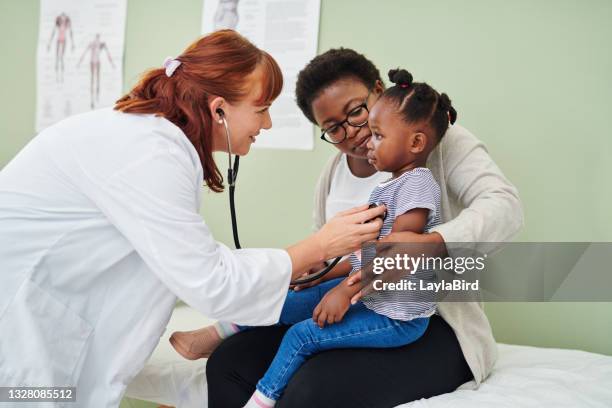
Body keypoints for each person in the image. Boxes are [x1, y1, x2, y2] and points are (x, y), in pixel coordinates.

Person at [0, 32, 385, 407]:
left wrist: (311, 261)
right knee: (236, 366)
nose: (266, 125)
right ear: (219, 109)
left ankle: (218, 332)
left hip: (393, 305)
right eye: (262, 109)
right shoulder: (149, 153)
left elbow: (185, 260)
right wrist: (316, 250)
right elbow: (209, 277)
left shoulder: (154, 142)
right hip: (24, 325)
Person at [206, 48, 524, 407]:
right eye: (333, 128)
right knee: (228, 362)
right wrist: (317, 272)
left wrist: (434, 243)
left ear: (378, 91)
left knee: (313, 387)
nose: (353, 134)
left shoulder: (439, 141)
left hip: (426, 319)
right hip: (358, 302)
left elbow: (505, 206)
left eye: (356, 112)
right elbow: (338, 252)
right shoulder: (332, 174)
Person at [172, 68, 456, 408]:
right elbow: (363, 253)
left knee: (301, 335)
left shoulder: (418, 183)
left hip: (397, 318)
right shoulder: (389, 184)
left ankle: (261, 401)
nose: (366, 140)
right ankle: (222, 329)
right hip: (371, 296)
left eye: (377, 134)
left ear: (415, 142)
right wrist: (319, 272)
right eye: (333, 128)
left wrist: (342, 291)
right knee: (288, 298)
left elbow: (393, 255)